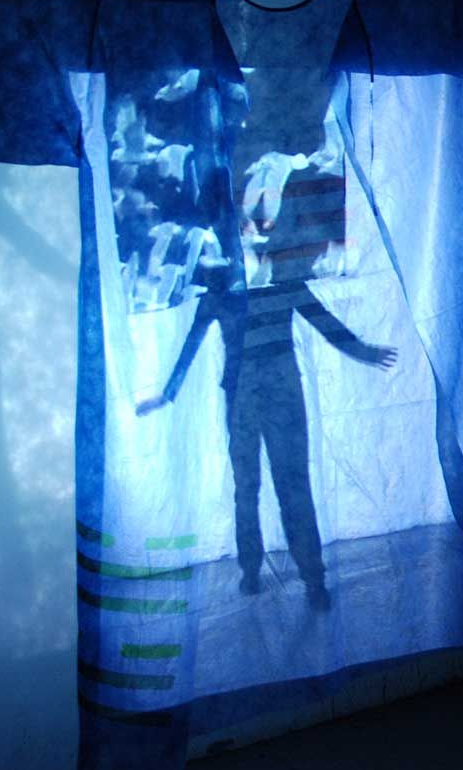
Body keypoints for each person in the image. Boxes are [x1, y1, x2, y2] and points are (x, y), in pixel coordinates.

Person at [138, 180, 394, 608]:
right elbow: (192, 342)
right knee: (250, 486)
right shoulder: (223, 289)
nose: (244, 236)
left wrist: (364, 351)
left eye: (247, 228)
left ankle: (311, 578)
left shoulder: (278, 280)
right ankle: (255, 571)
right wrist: (167, 395)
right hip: (246, 397)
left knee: (290, 483)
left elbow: (323, 322)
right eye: (237, 230)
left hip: (276, 394)